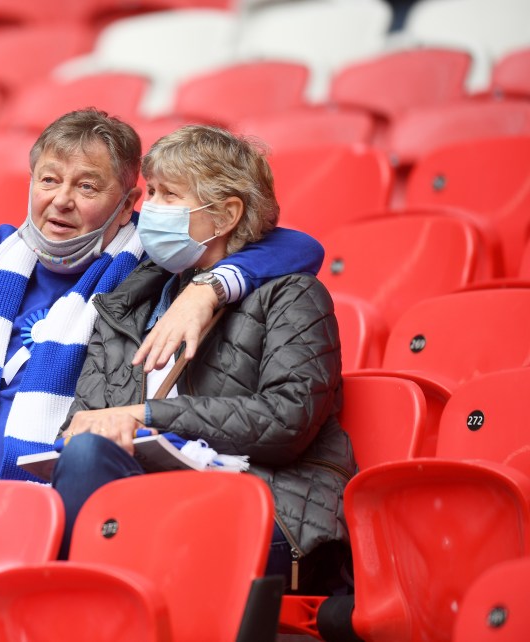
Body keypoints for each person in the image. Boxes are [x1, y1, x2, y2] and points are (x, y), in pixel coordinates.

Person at [0, 74, 326, 566]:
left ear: (127, 206)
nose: (61, 200)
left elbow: (294, 244)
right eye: (49, 180)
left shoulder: (147, 263)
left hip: (46, 507)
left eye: (87, 187)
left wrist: (210, 289)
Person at [52, 125, 355, 594]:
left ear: (227, 214)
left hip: (266, 511)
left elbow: (287, 420)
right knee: (80, 459)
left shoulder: (293, 296)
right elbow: (86, 420)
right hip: (154, 502)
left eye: (169, 195)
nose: (149, 208)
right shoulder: (123, 308)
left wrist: (147, 416)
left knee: (99, 500)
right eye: (149, 191)